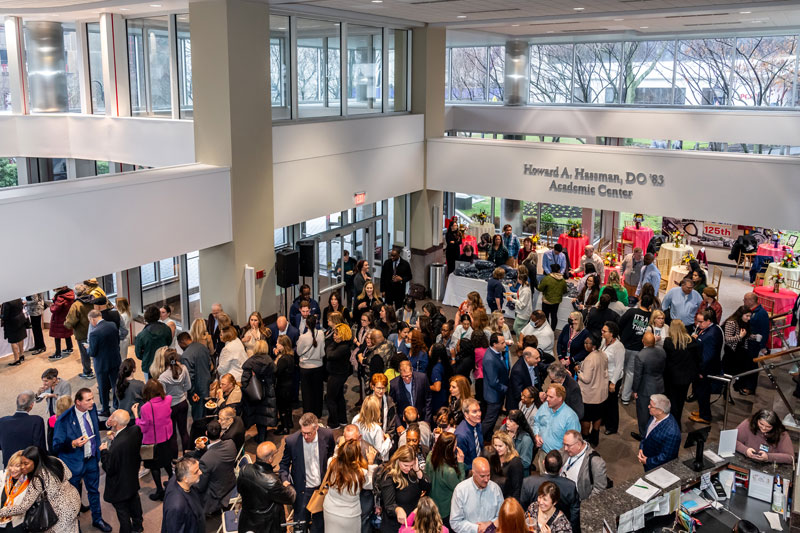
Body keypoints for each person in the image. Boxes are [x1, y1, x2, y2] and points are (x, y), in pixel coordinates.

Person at [52, 388, 111, 531]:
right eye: (88, 400)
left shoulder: (91, 409)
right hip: (74, 463)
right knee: (73, 496)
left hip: (91, 459)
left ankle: (97, 519)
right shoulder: (64, 420)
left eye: (92, 398)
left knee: (94, 491)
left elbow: (95, 426)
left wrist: (107, 424)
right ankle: (75, 525)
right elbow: (56, 446)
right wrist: (73, 443)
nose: (92, 402)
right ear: (78, 402)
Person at [0, 446, 80, 533]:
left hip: (60, 512)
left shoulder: (37, 479)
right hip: (73, 499)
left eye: (26, 464)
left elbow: (23, 507)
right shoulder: (54, 460)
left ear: (35, 461)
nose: (23, 467)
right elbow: (69, 475)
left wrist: (2, 512)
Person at [279, 413, 336, 533]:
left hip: (321, 490)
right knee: (300, 526)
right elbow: (284, 465)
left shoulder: (327, 435)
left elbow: (331, 455)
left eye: (308, 433)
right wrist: (285, 480)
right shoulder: (292, 441)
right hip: (302, 491)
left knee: (319, 526)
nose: (305, 436)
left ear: (316, 428)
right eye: (303, 432)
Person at [99, 410, 143, 533]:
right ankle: (138, 526)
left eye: (112, 417)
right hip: (132, 478)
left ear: (116, 423)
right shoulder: (136, 430)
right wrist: (114, 438)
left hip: (119, 485)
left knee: (123, 513)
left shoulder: (116, 447)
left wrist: (104, 451)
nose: (110, 418)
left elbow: (109, 468)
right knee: (135, 503)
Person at [237, 440, 296, 533]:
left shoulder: (245, 469)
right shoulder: (272, 481)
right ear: (270, 459)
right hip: (267, 525)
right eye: (275, 454)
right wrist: (287, 485)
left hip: (248, 520)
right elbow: (290, 497)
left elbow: (239, 489)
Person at [133, 379, 174, 501]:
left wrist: (136, 415)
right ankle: (173, 484)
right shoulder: (168, 399)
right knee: (167, 462)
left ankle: (159, 491)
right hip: (167, 437)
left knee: (154, 467)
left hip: (153, 441)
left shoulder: (146, 408)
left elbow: (143, 427)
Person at [324, 438, 378, 530]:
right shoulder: (361, 473)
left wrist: (341, 446)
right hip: (350, 515)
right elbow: (370, 485)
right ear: (356, 456)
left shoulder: (331, 463)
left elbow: (336, 455)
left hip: (330, 510)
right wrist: (370, 462)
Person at [520, 451, 579, 530]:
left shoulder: (528, 482)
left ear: (543, 463)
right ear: (561, 468)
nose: (541, 502)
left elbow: (522, 507)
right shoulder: (570, 486)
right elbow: (574, 513)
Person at [378, 445, 431, 532]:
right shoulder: (389, 476)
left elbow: (427, 487)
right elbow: (389, 505)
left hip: (412, 524)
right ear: (398, 460)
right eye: (405, 465)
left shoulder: (413, 471)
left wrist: (417, 471)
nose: (408, 468)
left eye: (411, 465)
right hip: (394, 526)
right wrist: (397, 509)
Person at [532, 384, 580, 474]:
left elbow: (575, 443)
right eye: (547, 396)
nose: (547, 399)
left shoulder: (570, 417)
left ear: (560, 398)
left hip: (560, 459)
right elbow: (537, 422)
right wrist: (536, 435)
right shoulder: (544, 407)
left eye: (551, 397)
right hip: (543, 453)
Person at [662, 320, 700, 430]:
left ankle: (673, 424)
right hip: (686, 378)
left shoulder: (669, 342)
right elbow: (697, 359)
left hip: (671, 378)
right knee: (680, 400)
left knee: (672, 401)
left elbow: (666, 360)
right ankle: (677, 421)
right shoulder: (691, 341)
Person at [449, 457, 503, 533]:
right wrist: (477, 528)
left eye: (488, 475)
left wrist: (490, 524)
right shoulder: (461, 490)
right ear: (473, 473)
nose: (486, 479)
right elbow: (455, 522)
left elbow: (502, 517)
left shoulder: (495, 489)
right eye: (482, 476)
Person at [194, 420, 237, 516]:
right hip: (231, 481)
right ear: (221, 433)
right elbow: (217, 456)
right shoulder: (231, 444)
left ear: (206, 433)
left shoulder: (206, 459)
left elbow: (201, 486)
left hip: (217, 492)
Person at [424, 432, 465, 528]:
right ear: (449, 449)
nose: (456, 447)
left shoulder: (430, 456)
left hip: (431, 507)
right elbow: (460, 488)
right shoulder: (449, 472)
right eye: (455, 445)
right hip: (444, 511)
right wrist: (460, 464)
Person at [618, 294, 653, 405]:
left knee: (621, 369)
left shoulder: (631, 312)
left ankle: (618, 391)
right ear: (651, 305)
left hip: (624, 345)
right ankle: (625, 397)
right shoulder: (651, 316)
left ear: (640, 301)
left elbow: (620, 324)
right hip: (639, 348)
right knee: (630, 372)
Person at [240, 339, 278, 442]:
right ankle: (262, 435)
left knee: (257, 415)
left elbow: (244, 381)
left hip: (254, 394)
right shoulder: (270, 361)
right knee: (264, 416)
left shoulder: (250, 362)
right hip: (268, 393)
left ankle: (260, 437)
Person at [631, 332, 666, 440]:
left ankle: (643, 435)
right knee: (657, 412)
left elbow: (637, 375)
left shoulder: (640, 355)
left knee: (643, 414)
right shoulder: (662, 351)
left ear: (643, 341)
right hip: (659, 385)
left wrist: (635, 390)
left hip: (645, 388)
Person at [691, 310, 723, 424]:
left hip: (706, 370)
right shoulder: (708, 329)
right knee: (701, 392)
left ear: (709, 321)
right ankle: (702, 411)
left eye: (701, 322)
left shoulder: (711, 334)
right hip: (704, 367)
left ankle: (705, 416)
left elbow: (707, 356)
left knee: (703, 392)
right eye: (697, 321)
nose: (698, 324)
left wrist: (701, 371)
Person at [575, 334, 607, 447]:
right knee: (597, 416)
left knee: (586, 419)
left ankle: (586, 438)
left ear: (593, 346)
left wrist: (578, 371)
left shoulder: (589, 359)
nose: (584, 345)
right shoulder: (603, 354)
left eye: (587, 343)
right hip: (601, 394)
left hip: (590, 396)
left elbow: (586, 379)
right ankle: (595, 435)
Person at [0, 392, 46, 468]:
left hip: (10, 465)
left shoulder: (2, 421)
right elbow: (40, 447)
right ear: (31, 405)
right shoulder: (36, 421)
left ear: (17, 403)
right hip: (29, 467)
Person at [560, 429, 607, 501]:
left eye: (568, 445)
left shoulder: (596, 462)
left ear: (578, 444)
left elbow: (599, 489)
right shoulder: (568, 449)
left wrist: (584, 505)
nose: (565, 448)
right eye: (564, 444)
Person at [638, 394, 681, 471]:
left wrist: (647, 461)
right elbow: (646, 435)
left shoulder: (672, 433)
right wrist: (641, 448)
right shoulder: (654, 416)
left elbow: (666, 457)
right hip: (647, 457)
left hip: (658, 469)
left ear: (660, 411)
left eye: (651, 406)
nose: (648, 406)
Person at [161, 456, 204, 533]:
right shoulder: (177, 506)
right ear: (185, 479)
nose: (201, 472)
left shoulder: (179, 478)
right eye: (196, 471)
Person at [181, 325, 213, 422]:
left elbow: (189, 377)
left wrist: (192, 392)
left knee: (198, 416)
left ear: (182, 342)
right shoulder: (202, 347)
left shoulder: (186, 355)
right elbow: (210, 364)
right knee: (207, 411)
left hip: (197, 390)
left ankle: (199, 434)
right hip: (207, 384)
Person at [722, 306, 757, 394]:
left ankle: (738, 386)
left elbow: (746, 335)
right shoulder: (731, 323)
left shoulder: (745, 322)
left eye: (750, 316)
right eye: (747, 316)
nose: (749, 318)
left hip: (741, 350)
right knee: (729, 373)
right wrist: (740, 337)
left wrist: (754, 337)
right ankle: (726, 392)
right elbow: (727, 339)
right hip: (731, 352)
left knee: (744, 369)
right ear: (741, 314)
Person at [324, 323, 352, 429]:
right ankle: (342, 420)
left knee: (330, 399)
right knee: (339, 397)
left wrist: (331, 344)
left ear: (342, 334)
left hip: (336, 375)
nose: (334, 336)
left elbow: (330, 355)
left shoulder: (343, 347)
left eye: (336, 334)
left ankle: (333, 423)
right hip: (338, 374)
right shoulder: (342, 345)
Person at [482, 333, 509, 441]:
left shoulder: (497, 352)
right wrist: (506, 389)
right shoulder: (489, 359)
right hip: (493, 395)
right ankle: (479, 438)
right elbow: (493, 382)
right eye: (502, 343)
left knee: (492, 419)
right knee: (489, 420)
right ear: (494, 344)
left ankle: (488, 436)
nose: (505, 345)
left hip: (497, 393)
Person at [135, 306, 173, 381]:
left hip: (148, 365)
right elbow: (169, 343)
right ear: (158, 316)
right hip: (164, 363)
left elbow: (138, 354)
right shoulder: (166, 329)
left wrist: (146, 355)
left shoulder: (142, 335)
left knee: (150, 387)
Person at [600, 321, 625, 436]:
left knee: (612, 403)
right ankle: (604, 420)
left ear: (612, 333)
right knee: (604, 400)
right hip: (604, 376)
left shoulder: (619, 347)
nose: (602, 332)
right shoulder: (603, 341)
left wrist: (613, 383)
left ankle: (612, 426)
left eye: (604, 331)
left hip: (613, 378)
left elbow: (619, 366)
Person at [353, 394, 394, 461]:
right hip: (371, 459)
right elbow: (381, 451)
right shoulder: (376, 429)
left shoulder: (355, 419)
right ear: (376, 410)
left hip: (358, 455)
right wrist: (388, 440)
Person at [390, 360, 432, 425]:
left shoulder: (422, 378)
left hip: (422, 419)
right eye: (404, 376)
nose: (407, 379)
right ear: (399, 373)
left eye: (409, 375)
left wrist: (427, 420)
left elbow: (428, 400)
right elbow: (393, 406)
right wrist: (398, 425)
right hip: (404, 422)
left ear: (412, 370)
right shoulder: (394, 384)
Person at [0, 451, 29, 533]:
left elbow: (24, 507)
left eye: (17, 466)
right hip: (1, 522)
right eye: (11, 465)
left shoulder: (28, 482)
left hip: (17, 524)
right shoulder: (4, 476)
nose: (12, 469)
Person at [491, 431, 524, 500]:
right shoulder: (492, 458)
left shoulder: (515, 463)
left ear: (507, 446)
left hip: (507, 501)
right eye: (495, 445)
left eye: (500, 446)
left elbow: (517, 489)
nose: (497, 449)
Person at [454, 398, 483, 472]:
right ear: (466, 414)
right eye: (474, 412)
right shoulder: (461, 435)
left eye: (479, 410)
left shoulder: (478, 425)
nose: (479, 414)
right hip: (469, 472)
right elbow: (460, 463)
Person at [48, 286, 75, 360]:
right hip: (66, 317)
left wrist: (51, 306)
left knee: (57, 336)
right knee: (67, 333)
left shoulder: (61, 298)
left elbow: (55, 309)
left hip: (58, 319)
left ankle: (58, 354)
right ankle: (69, 348)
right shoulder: (70, 294)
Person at [539, 263, 568, 331]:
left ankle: (547, 330)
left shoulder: (547, 278)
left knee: (545, 316)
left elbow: (540, 288)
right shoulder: (563, 280)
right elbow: (565, 291)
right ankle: (552, 330)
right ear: (559, 270)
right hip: (556, 301)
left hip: (546, 301)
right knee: (554, 316)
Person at [0, 299, 27, 367]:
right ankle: (21, 355)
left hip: (12, 322)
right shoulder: (18, 298)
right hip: (20, 319)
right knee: (20, 337)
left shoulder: (7, 302)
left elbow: (5, 316)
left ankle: (16, 359)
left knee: (13, 340)